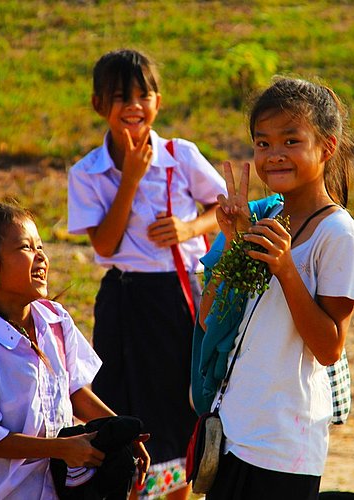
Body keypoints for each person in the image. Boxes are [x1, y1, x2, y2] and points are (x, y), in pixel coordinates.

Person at [200, 77, 354, 499]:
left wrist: (286, 269)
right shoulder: (267, 219)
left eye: (291, 141)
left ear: (326, 147)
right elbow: (209, 318)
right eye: (263, 144)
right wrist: (232, 241)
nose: (274, 155)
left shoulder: (337, 235)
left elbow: (330, 348)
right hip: (234, 429)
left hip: (283, 445)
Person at [66, 48, 226, 500]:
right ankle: (129, 487)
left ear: (158, 101)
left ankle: (177, 491)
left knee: (177, 401)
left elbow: (222, 208)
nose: (134, 105)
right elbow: (104, 244)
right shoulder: (88, 172)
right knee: (120, 398)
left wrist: (189, 227)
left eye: (144, 94)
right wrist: (131, 179)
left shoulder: (182, 155)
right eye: (121, 97)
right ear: (100, 105)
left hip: (176, 295)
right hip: (122, 297)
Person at [0, 201, 149, 499]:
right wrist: (61, 449)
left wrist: (122, 432)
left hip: (53, 490)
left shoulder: (56, 322)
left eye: (41, 246)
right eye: (25, 247)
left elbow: (73, 390)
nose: (41, 256)